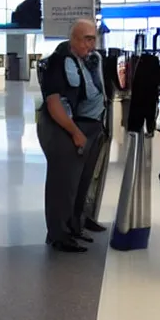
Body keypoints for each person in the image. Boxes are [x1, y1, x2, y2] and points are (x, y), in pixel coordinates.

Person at [37, 19, 107, 253]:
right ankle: (59, 235)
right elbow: (54, 102)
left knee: (81, 181)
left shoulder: (89, 61)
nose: (91, 44)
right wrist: (75, 132)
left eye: (93, 38)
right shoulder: (57, 62)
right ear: (74, 38)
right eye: (87, 39)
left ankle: (75, 225)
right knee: (63, 183)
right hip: (65, 128)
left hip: (90, 126)